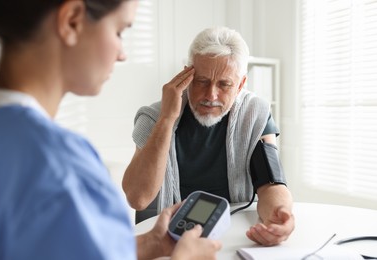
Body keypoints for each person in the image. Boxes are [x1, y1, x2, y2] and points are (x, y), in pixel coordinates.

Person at [0, 0, 221, 259]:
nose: (122, 54)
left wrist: (152, 243)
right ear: (72, 21)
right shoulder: (60, 165)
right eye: (119, 31)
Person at [122, 26, 295, 246]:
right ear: (186, 75)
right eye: (202, 81)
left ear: (241, 84)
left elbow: (271, 183)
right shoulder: (154, 117)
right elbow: (138, 198)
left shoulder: (255, 114)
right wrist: (167, 119)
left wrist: (281, 215)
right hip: (170, 238)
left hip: (231, 235)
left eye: (224, 84)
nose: (211, 95)